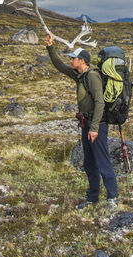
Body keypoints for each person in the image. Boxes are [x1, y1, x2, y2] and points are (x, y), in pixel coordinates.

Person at [45, 32, 118, 209]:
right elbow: (60, 65)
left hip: (96, 126)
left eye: (74, 59)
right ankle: (92, 198)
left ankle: (112, 198)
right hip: (86, 124)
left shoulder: (92, 76)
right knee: (89, 163)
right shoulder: (79, 75)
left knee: (102, 161)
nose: (71, 61)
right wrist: (50, 47)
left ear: (82, 61)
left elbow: (100, 102)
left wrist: (94, 128)